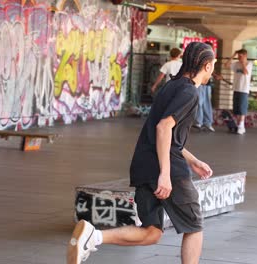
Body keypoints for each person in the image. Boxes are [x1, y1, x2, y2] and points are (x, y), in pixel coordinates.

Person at [67, 42, 215, 264]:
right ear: (206, 65)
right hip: (167, 169)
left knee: (151, 232)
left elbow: (166, 135)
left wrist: (193, 160)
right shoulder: (189, 92)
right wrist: (165, 173)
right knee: (194, 226)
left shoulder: (170, 87)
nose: (213, 69)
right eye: (213, 65)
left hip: (143, 165)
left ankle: (93, 236)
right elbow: (163, 128)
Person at [193, 42, 223, 132]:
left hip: (206, 83)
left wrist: (215, 75)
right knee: (200, 102)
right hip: (201, 82)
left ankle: (206, 122)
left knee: (205, 103)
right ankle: (200, 122)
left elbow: (209, 68)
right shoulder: (202, 56)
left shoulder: (208, 56)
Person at [225, 49, 252, 135]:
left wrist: (243, 63)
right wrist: (233, 55)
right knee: (236, 109)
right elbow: (226, 65)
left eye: (241, 56)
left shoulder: (249, 64)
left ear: (245, 56)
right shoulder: (236, 64)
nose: (239, 58)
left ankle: (241, 126)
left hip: (243, 89)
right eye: (238, 56)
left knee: (242, 108)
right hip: (236, 88)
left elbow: (245, 72)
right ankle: (239, 124)